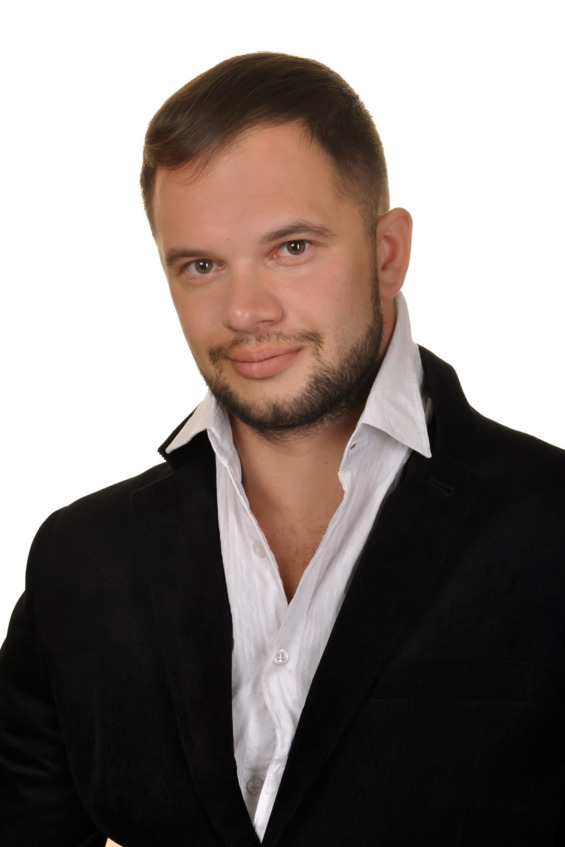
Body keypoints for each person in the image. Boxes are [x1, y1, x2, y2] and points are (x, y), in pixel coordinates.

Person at [1, 52, 564, 847]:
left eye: (291, 248)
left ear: (387, 252)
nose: (244, 310)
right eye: (201, 265)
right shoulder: (79, 560)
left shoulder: (548, 528)